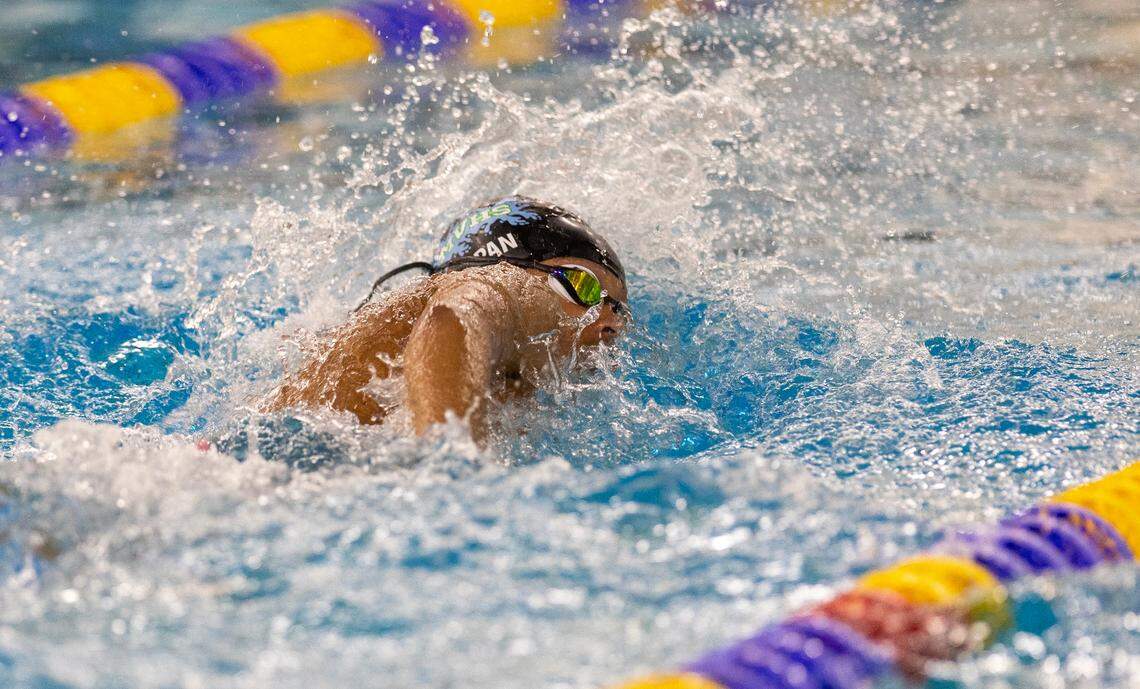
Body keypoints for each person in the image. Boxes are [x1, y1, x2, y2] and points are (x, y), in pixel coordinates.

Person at [262, 196, 630, 443]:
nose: (608, 320)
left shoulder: (511, 376)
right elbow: (450, 318)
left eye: (619, 308)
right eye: (583, 285)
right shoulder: (503, 284)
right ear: (505, 266)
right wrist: (452, 465)